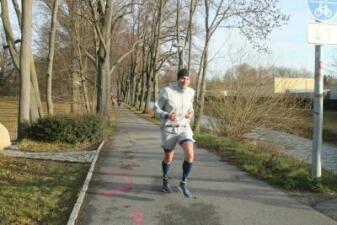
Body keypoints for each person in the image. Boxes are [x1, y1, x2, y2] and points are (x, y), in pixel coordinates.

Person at [155, 68, 195, 198]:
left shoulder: (191, 92)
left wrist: (191, 113)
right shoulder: (167, 91)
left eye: (188, 78)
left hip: (184, 127)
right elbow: (156, 109)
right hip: (169, 129)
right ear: (178, 79)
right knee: (168, 158)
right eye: (183, 78)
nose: (185, 80)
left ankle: (183, 182)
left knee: (190, 154)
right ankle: (165, 179)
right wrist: (166, 115)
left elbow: (191, 108)